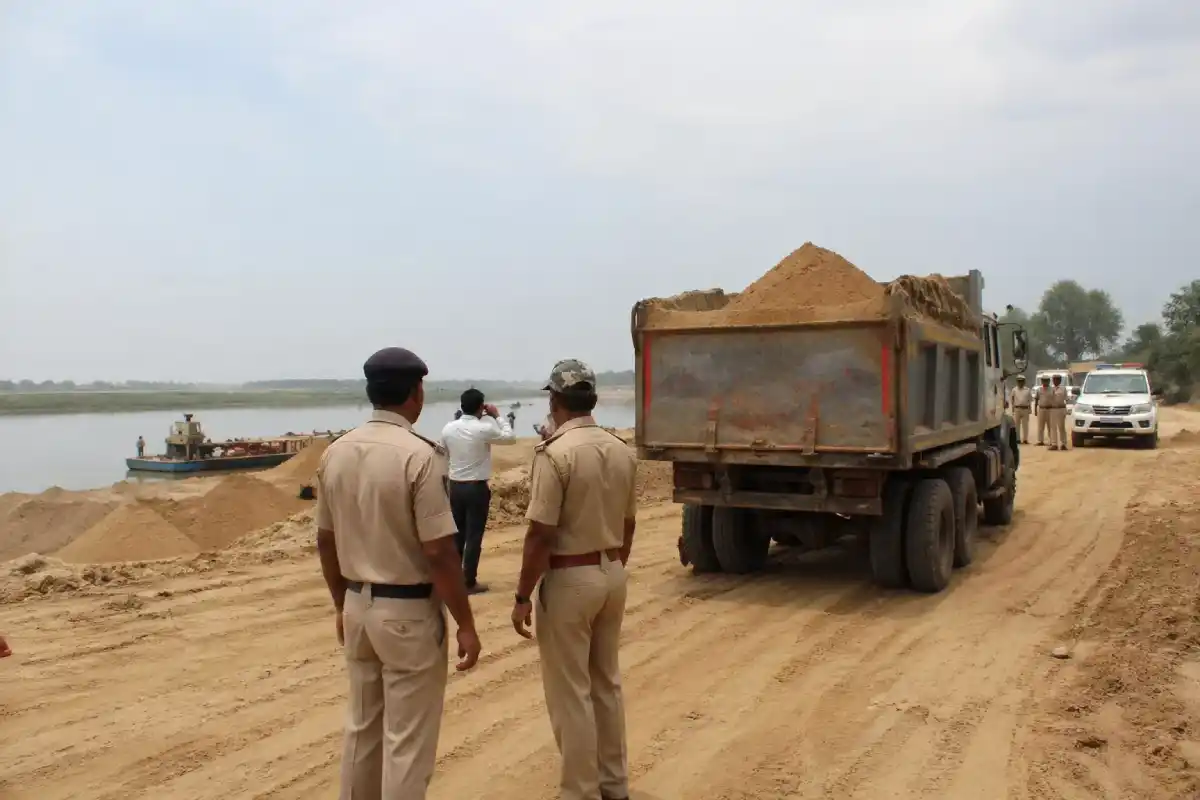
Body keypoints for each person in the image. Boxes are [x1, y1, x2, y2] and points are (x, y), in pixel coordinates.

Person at [315, 346, 481, 800]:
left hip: (357, 604)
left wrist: (340, 604)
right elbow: (440, 552)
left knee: (361, 731)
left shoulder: (336, 452)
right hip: (407, 613)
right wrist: (465, 623)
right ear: (415, 392)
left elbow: (325, 540)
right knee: (407, 743)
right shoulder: (421, 456)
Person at [512, 359, 638, 800]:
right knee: (606, 684)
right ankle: (613, 785)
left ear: (555, 400)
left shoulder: (555, 454)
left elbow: (540, 533)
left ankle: (580, 791)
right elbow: (628, 526)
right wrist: (613, 565)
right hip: (610, 572)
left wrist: (522, 594)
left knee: (571, 693)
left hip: (569, 578)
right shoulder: (621, 449)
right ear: (595, 400)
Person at [440, 388, 516, 594]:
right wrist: (498, 417)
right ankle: (469, 581)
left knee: (458, 535)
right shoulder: (483, 429)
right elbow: (509, 438)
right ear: (481, 407)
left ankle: (453, 579)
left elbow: (443, 456)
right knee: (474, 536)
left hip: (455, 486)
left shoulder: (448, 428)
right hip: (476, 488)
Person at [1048, 374, 1070, 451]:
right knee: (1053, 427)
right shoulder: (1050, 389)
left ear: (1060, 380)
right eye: (1054, 379)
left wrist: (1068, 410)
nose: (1055, 381)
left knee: (1061, 427)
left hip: (1061, 409)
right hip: (1053, 409)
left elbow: (1067, 400)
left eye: (1057, 379)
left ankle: (1063, 444)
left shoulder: (1063, 389)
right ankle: (1054, 444)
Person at [1010, 376, 1032, 444]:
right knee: (1017, 425)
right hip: (1017, 408)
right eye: (1019, 381)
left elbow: (1030, 400)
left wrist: (1030, 409)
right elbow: (1012, 399)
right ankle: (1017, 439)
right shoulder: (1014, 390)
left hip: (1025, 409)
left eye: (1022, 381)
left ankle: (1025, 439)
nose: (1020, 382)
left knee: (1025, 425)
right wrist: (1013, 408)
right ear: (1017, 382)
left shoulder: (1027, 390)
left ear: (1024, 382)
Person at [1034, 375, 1052, 446]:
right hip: (1041, 409)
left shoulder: (1052, 389)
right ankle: (1040, 441)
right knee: (1040, 426)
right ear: (1041, 381)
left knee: (1050, 426)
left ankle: (1052, 441)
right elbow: (1036, 399)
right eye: (1043, 380)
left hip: (1050, 409)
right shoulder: (1039, 389)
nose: (1045, 382)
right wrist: (1035, 409)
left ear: (1049, 381)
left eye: (1047, 380)